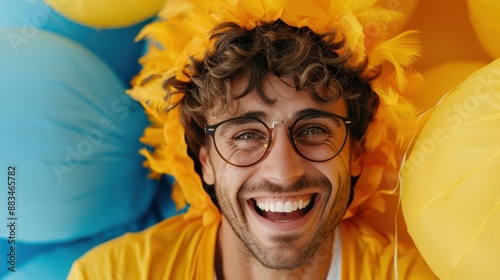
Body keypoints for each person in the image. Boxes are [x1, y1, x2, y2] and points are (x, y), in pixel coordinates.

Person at [68, 0, 437, 279]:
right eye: (245, 134)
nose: (283, 172)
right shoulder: (114, 273)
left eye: (313, 130)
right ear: (205, 161)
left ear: (356, 152)